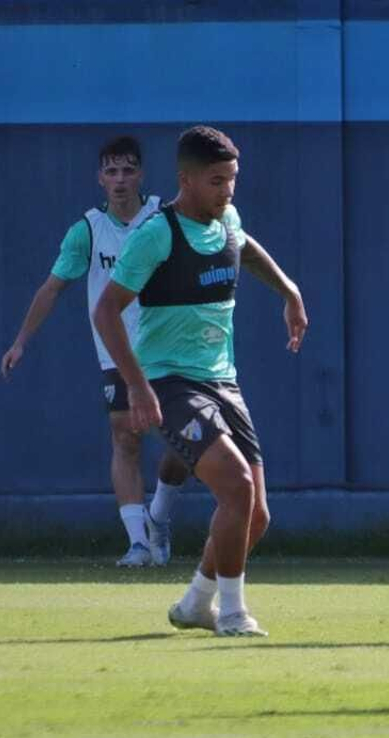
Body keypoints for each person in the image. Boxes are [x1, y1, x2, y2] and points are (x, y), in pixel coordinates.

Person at [93, 125, 307, 637]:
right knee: (234, 489)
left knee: (257, 516)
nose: (227, 191)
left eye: (232, 179)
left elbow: (244, 246)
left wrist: (288, 291)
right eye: (216, 181)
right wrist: (138, 385)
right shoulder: (156, 235)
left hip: (223, 382)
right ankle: (232, 613)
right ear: (185, 180)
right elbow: (105, 311)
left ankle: (196, 601)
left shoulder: (227, 218)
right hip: (170, 382)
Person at [0, 135, 188, 567]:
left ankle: (159, 516)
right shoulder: (87, 230)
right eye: (111, 171)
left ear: (140, 173)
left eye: (127, 170)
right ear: (99, 178)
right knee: (125, 437)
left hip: (169, 350)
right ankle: (139, 543)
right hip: (116, 353)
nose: (120, 179)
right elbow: (53, 287)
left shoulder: (164, 217)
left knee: (185, 441)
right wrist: (20, 341)